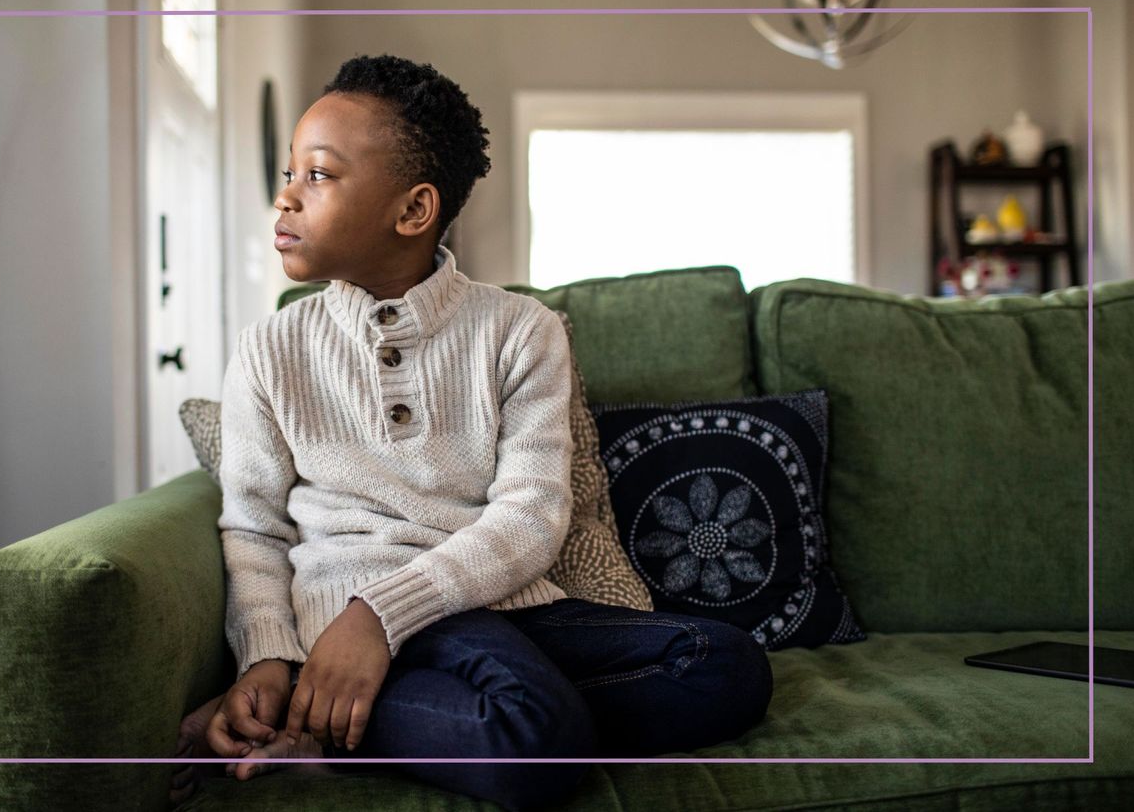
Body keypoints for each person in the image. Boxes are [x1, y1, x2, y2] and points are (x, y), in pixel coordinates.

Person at [169, 53, 773, 811]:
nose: (285, 195)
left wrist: (381, 619)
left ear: (413, 210)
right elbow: (253, 529)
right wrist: (268, 654)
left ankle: (328, 718)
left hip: (502, 607)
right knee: (536, 735)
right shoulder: (271, 350)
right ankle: (346, 701)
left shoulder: (522, 331)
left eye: (317, 175)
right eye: (291, 171)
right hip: (348, 610)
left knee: (725, 662)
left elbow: (532, 516)